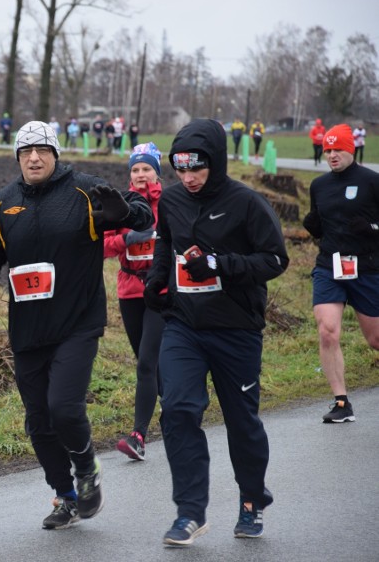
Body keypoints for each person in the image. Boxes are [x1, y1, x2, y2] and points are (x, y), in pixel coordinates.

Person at [0, 121, 154, 531]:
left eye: (41, 150)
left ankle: (87, 466)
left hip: (78, 322)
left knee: (63, 408)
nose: (33, 158)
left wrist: (125, 213)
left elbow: (142, 214)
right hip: (28, 329)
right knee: (38, 420)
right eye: (25, 152)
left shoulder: (85, 189)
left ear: (55, 154)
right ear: (17, 157)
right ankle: (65, 496)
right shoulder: (3, 204)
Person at [143, 118, 289, 546]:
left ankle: (251, 500)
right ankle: (189, 511)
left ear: (217, 162)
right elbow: (165, 243)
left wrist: (220, 265)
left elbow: (275, 260)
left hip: (236, 330)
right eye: (180, 169)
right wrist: (156, 280)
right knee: (179, 410)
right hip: (184, 325)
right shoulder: (171, 201)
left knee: (242, 422)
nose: (187, 178)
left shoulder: (246, 203)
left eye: (197, 169)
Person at [302, 123, 379, 423]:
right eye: (327, 150)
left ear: (351, 149)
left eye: (338, 149)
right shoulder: (318, 185)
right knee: (327, 330)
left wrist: (372, 228)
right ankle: (341, 402)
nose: (332, 155)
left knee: (375, 339)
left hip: (368, 268)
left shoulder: (372, 181)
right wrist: (314, 225)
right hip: (329, 267)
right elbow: (321, 226)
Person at [103, 142, 164, 461]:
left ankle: (138, 435)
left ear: (157, 172)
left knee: (146, 362)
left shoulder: (169, 202)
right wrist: (126, 239)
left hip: (162, 291)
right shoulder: (121, 204)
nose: (141, 175)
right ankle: (177, 413)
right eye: (136, 170)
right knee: (149, 363)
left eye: (147, 169)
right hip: (129, 290)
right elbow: (101, 247)